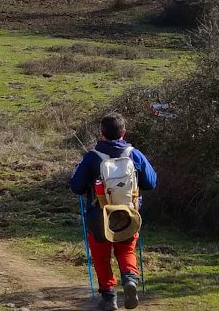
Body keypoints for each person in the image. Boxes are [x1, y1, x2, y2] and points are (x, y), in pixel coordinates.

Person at [71, 113, 157, 311]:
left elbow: (76, 186)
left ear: (101, 134)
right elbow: (151, 182)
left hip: (98, 215)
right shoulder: (134, 154)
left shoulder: (92, 157)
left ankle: (109, 298)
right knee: (126, 250)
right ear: (123, 132)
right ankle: (130, 280)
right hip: (128, 214)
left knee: (101, 256)